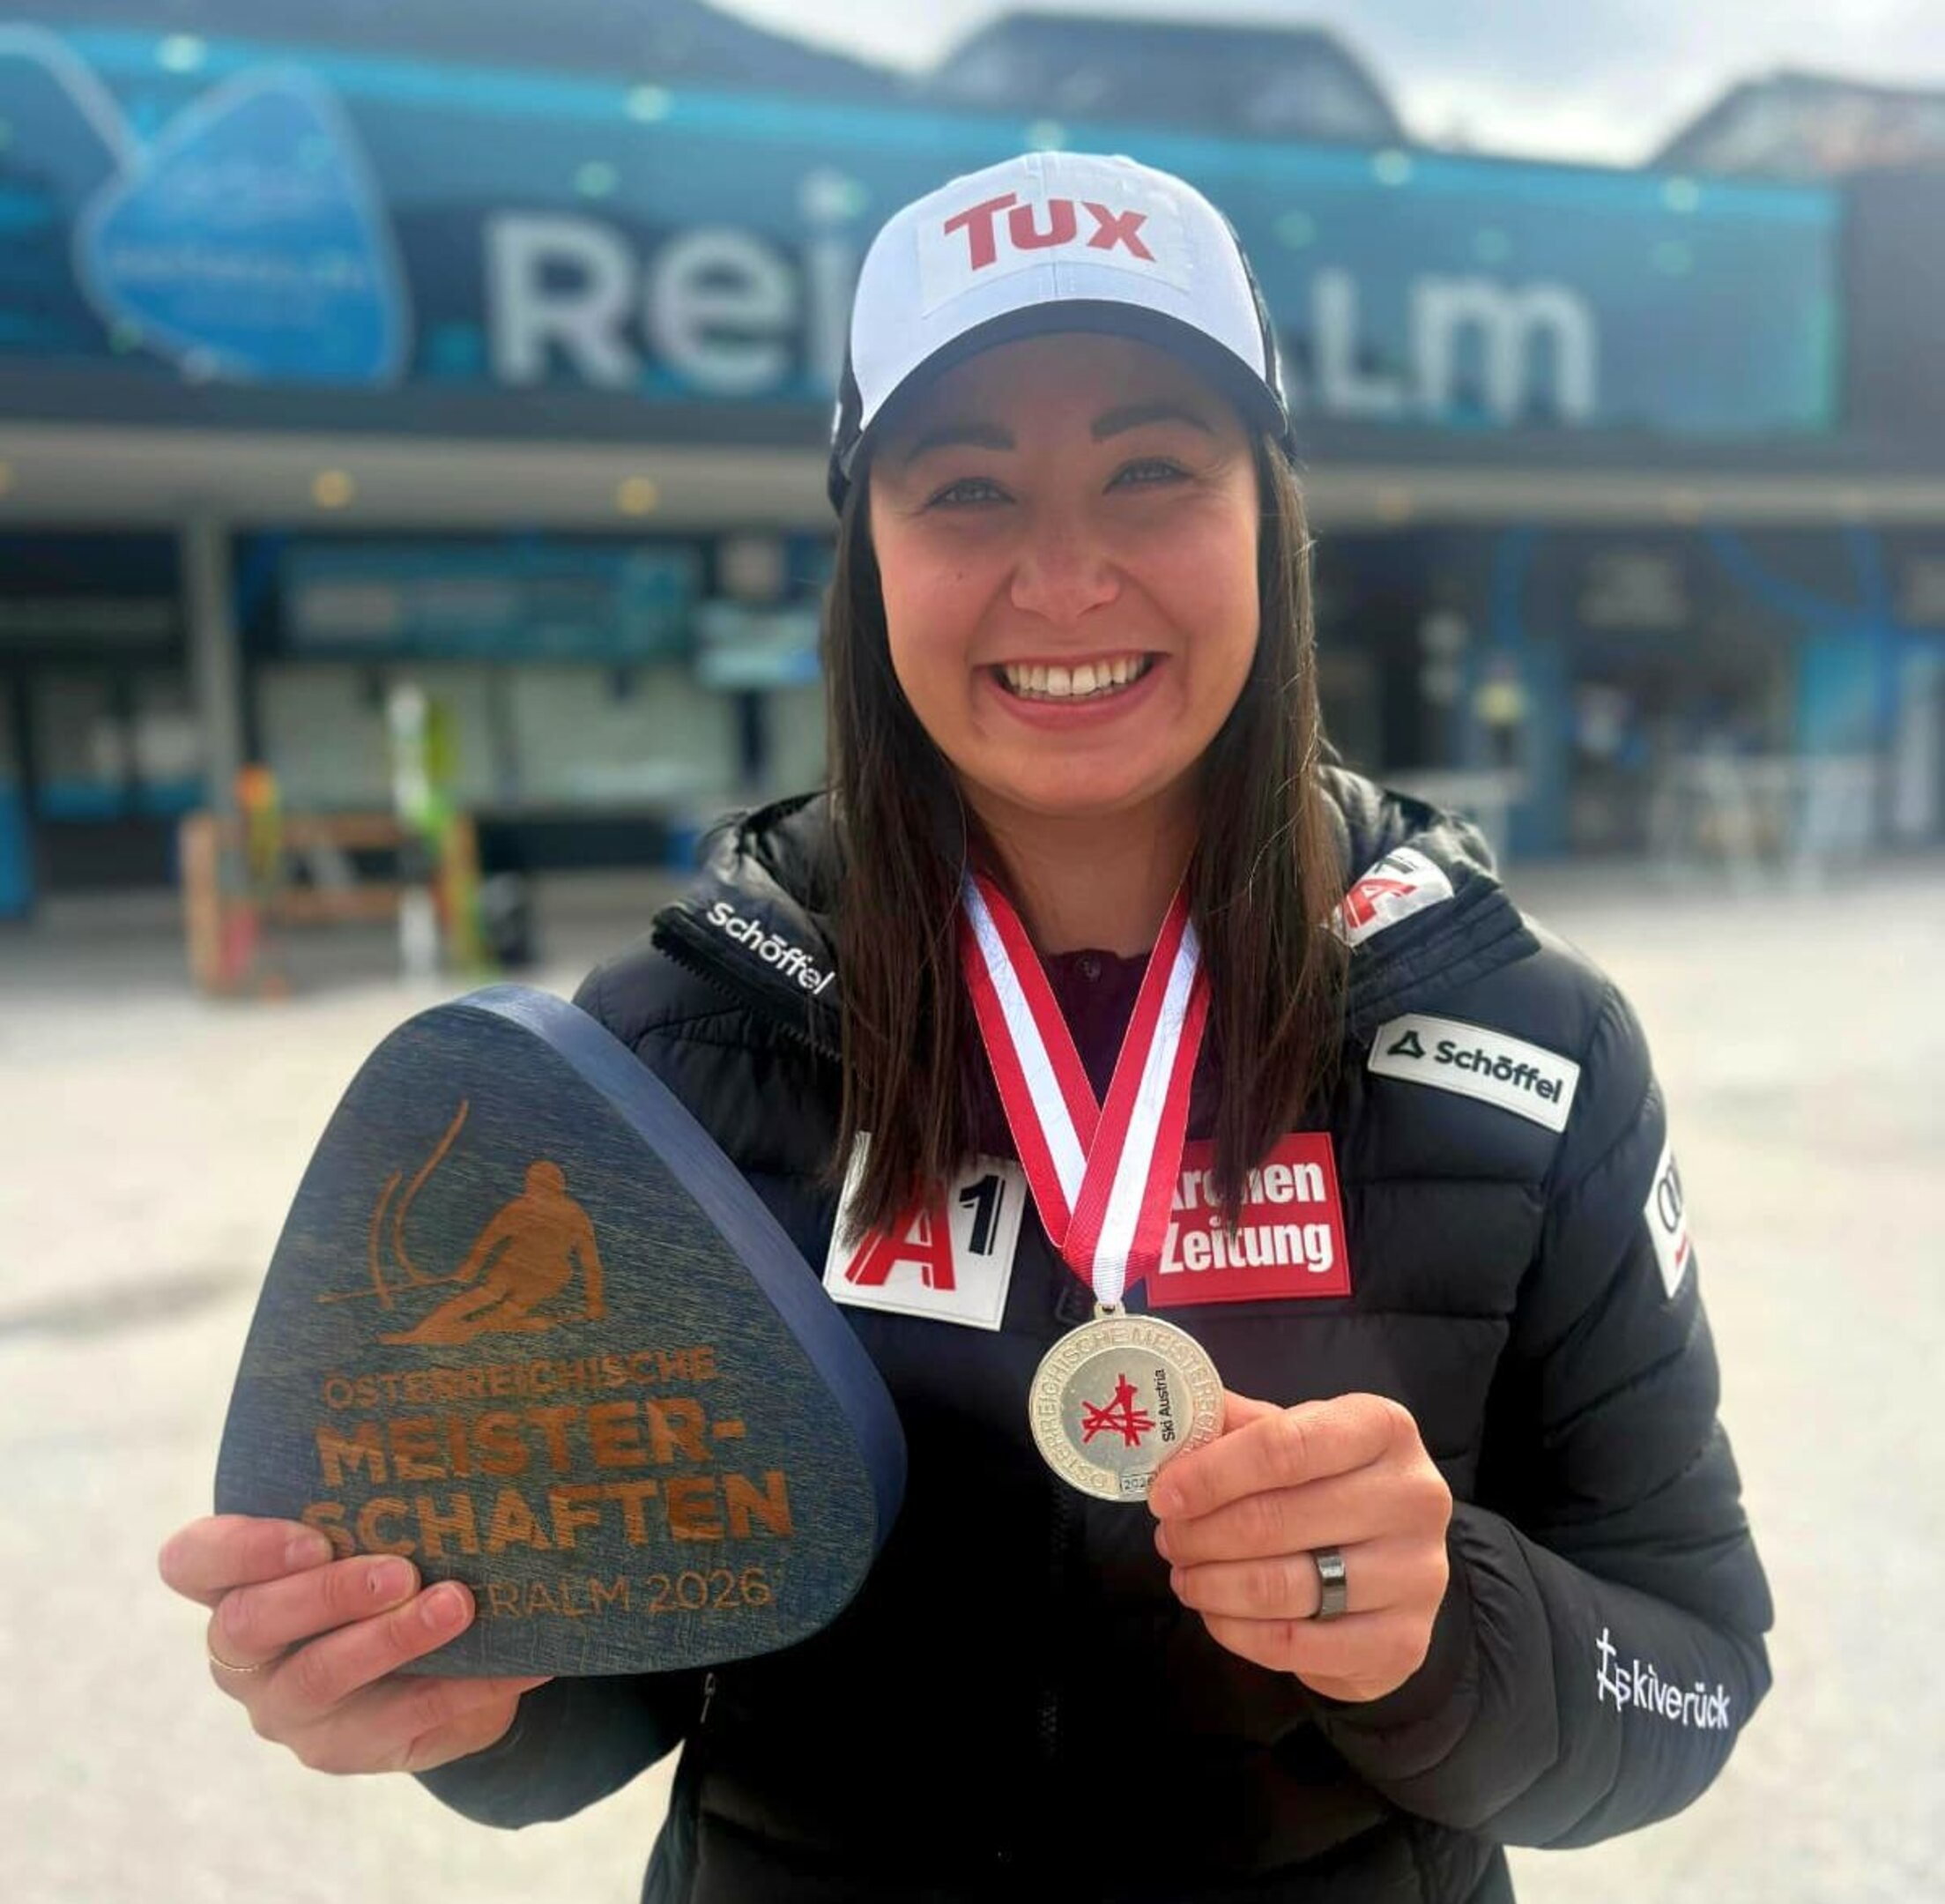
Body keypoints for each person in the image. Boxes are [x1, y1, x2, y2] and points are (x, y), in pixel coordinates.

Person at [160, 152, 1771, 1902]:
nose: (1064, 582)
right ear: (866, 555)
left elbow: (1690, 1666)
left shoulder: (1524, 1040)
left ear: (1269, 517)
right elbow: (608, 1687)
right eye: (968, 490)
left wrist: (1450, 1633)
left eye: (1151, 471)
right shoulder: (670, 1053)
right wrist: (456, 1689)